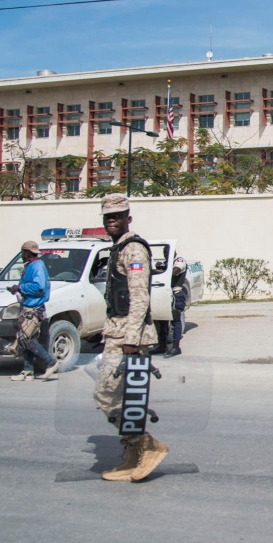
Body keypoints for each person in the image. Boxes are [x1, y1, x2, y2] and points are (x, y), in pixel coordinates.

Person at [94, 193, 168, 482]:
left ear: (128, 218)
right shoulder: (118, 248)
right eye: (108, 217)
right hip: (118, 332)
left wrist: (130, 339)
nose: (112, 221)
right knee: (125, 399)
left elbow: (140, 298)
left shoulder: (133, 249)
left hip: (128, 336)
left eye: (117, 216)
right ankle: (133, 454)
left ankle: (146, 445)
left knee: (105, 394)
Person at [7, 240, 59, 381]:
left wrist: (20, 288)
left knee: (26, 339)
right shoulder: (30, 265)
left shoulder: (37, 266)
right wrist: (16, 289)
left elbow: (39, 287)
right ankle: (27, 371)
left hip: (34, 308)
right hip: (28, 305)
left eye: (23, 252)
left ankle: (51, 363)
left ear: (26, 252)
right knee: (26, 340)